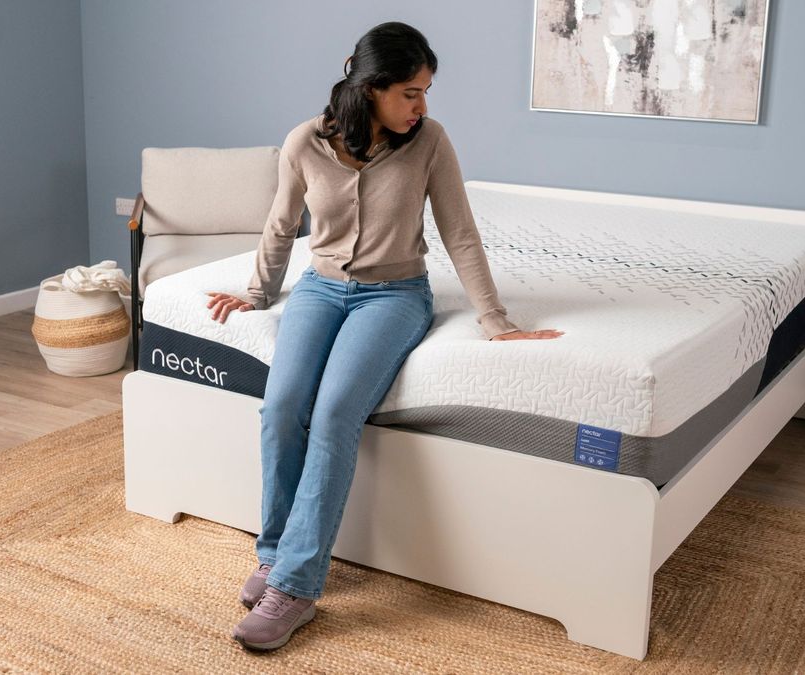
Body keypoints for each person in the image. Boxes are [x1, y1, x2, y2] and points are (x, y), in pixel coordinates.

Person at [203, 21, 563, 651]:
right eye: (410, 93)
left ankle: (296, 586)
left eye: (425, 92)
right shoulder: (305, 143)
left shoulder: (431, 143)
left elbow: (460, 234)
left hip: (394, 295)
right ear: (369, 87)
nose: (422, 106)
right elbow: (282, 225)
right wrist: (257, 293)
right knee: (283, 408)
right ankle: (275, 551)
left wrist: (494, 319)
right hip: (318, 289)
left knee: (337, 412)